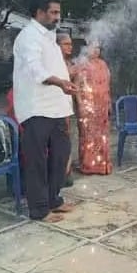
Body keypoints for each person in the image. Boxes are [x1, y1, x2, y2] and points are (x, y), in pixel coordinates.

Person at [13, 0, 76, 223]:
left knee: (61, 156)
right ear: (39, 12)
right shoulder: (28, 37)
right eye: (53, 12)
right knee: (37, 161)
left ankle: (53, 199)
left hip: (57, 108)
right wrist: (60, 82)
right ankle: (38, 209)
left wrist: (65, 83)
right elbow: (35, 70)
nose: (58, 17)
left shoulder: (49, 36)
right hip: (36, 108)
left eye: (58, 12)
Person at [73, 41, 113, 175]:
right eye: (92, 48)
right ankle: (88, 165)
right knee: (88, 135)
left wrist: (109, 103)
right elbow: (77, 87)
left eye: (98, 48)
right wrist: (80, 105)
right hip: (88, 106)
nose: (96, 51)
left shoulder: (103, 64)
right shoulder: (82, 64)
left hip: (102, 106)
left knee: (102, 135)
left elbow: (107, 86)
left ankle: (102, 165)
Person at [57, 32, 76, 187]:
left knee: (67, 138)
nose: (70, 47)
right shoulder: (54, 63)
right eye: (66, 44)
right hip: (56, 107)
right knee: (60, 140)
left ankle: (66, 171)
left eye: (70, 44)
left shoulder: (70, 63)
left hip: (67, 105)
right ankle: (60, 173)